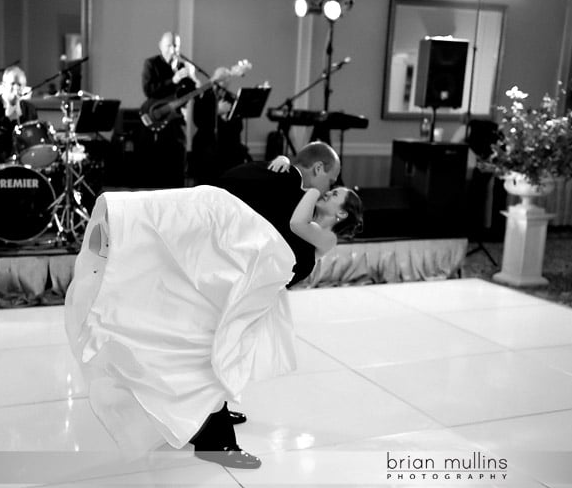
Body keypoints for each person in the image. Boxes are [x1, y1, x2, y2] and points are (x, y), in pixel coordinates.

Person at [64, 174, 362, 471]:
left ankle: (211, 430)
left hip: (245, 295)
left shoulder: (326, 237)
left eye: (335, 194)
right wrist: (291, 172)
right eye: (330, 189)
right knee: (206, 343)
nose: (327, 192)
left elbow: (297, 224)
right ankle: (126, 231)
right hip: (234, 284)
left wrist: (311, 187)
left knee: (213, 351)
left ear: (341, 213)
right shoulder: (303, 210)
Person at [218, 141, 353, 287]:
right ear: (318, 168)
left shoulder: (270, 172)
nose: (327, 190)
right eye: (331, 183)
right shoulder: (290, 191)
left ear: (342, 213)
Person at [139, 31, 197, 188]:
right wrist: (173, 80)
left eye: (176, 46)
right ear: (160, 46)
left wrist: (192, 77)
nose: (173, 49)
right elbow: (149, 90)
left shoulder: (183, 66)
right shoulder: (151, 64)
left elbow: (191, 92)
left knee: (178, 165)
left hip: (177, 122)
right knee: (158, 169)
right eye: (169, 45)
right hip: (158, 122)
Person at [191, 69, 251, 185]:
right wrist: (216, 111)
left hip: (228, 146)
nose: (222, 84)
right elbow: (198, 121)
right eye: (220, 81)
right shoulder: (203, 96)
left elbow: (239, 127)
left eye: (226, 81)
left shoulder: (231, 98)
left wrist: (227, 119)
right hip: (207, 145)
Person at [0, 66, 38, 163]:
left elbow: (32, 137)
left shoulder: (29, 109)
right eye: (12, 84)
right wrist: (8, 117)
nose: (16, 88)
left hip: (23, 159)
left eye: (19, 85)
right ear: (4, 85)